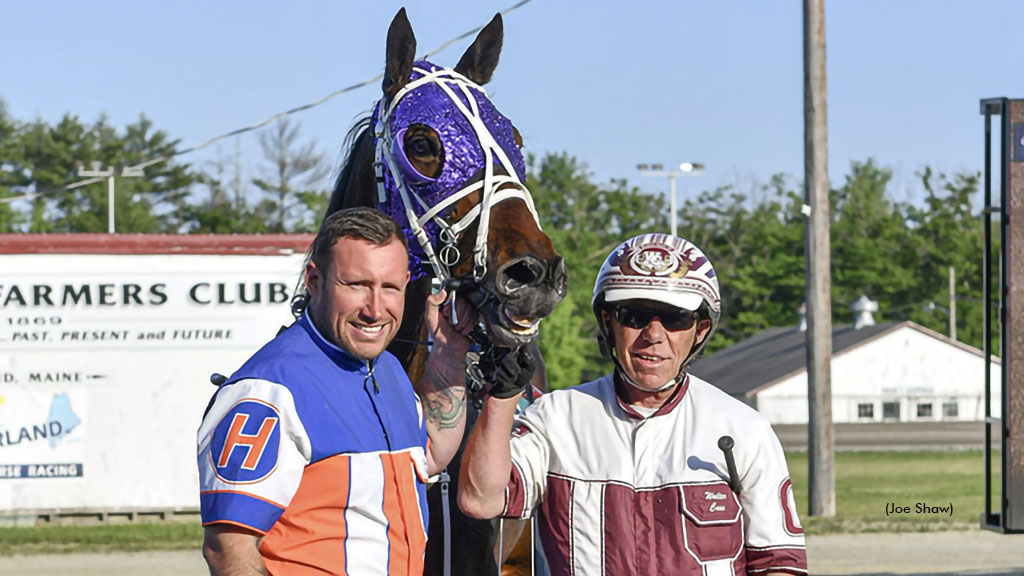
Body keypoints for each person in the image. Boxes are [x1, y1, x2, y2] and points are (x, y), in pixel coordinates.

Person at [459, 233, 808, 576]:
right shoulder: (556, 417)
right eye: (635, 315)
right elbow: (480, 500)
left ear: (700, 330)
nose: (654, 335)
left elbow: (778, 564)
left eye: (674, 318)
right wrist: (503, 395)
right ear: (609, 322)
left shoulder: (742, 429)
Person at [198, 207, 474, 576]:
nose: (375, 310)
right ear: (314, 280)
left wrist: (450, 356)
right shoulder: (267, 390)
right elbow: (227, 549)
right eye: (357, 284)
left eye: (390, 287)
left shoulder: (387, 369)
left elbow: (429, 455)